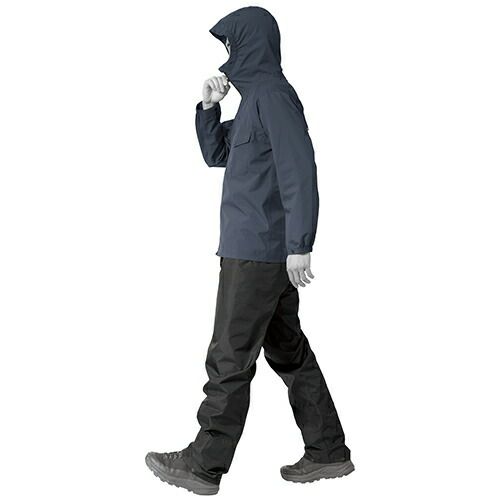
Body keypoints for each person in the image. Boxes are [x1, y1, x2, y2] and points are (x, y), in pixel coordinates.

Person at [145, 6, 354, 495]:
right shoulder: (256, 99)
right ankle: (328, 451)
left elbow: (300, 169)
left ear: (250, 45)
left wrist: (300, 245)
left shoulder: (273, 97)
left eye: (231, 44)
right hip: (255, 249)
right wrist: (209, 107)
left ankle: (203, 464)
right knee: (289, 352)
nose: (226, 54)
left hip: (258, 253)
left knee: (230, 356)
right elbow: (218, 154)